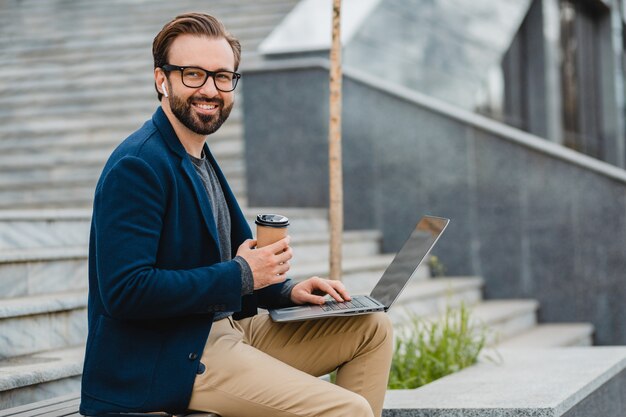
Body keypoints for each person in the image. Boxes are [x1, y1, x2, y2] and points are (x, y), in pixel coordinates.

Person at [79, 12, 393, 417]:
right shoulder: (138, 165)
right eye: (193, 74)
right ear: (162, 79)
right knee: (347, 410)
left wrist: (286, 290)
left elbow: (238, 268)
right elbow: (125, 291)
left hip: (221, 333)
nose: (210, 89)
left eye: (223, 76)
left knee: (371, 328)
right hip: (168, 359)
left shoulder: (198, 156)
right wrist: (244, 273)